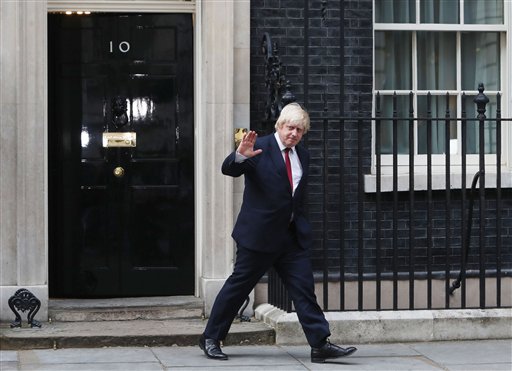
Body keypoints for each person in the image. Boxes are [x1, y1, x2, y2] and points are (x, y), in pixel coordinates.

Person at [199, 103, 357, 363]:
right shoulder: (258, 147)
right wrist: (239, 156)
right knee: (238, 288)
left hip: (290, 237)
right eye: (290, 128)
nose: (294, 133)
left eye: (299, 130)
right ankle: (210, 338)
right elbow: (229, 169)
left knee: (304, 290)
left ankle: (320, 344)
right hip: (258, 236)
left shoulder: (301, 155)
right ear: (279, 126)